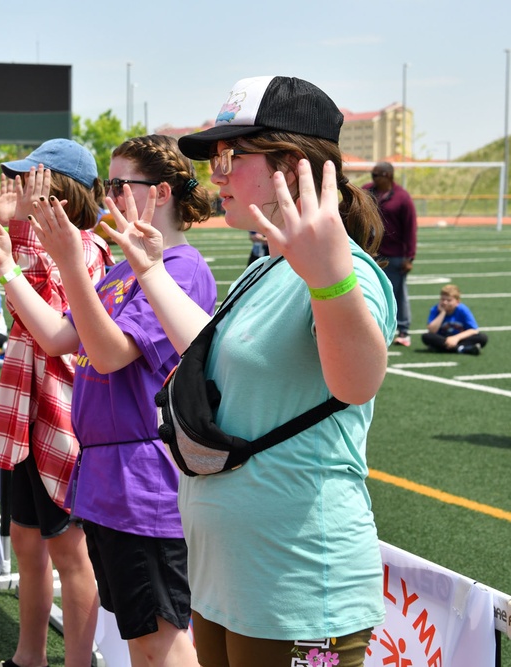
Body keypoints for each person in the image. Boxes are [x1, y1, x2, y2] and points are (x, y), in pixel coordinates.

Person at [103, 76, 396, 667]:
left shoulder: (348, 275)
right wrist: (150, 270)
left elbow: (357, 382)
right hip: (227, 578)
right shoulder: (267, 269)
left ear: (291, 165)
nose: (215, 175)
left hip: (295, 584)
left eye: (230, 156)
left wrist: (329, 278)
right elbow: (208, 350)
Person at [0, 133, 216, 667]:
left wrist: (70, 264)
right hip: (107, 475)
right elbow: (59, 337)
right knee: (141, 640)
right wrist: (5, 265)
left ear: (163, 192)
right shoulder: (125, 268)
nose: (109, 196)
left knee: (164, 643)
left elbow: (107, 355)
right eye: (108, 184)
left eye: (119, 185)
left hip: (144, 480)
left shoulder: (180, 268)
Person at [0, 139, 112, 667]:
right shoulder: (41, 242)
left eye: (33, 179)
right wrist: (15, 232)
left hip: (59, 415)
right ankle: (28, 657)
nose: (22, 188)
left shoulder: (84, 248)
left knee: (69, 553)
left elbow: (52, 325)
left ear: (59, 188)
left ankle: (79, 663)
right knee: (26, 544)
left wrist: (18, 236)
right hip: (25, 413)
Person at [364, 160, 417, 347]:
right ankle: (375, 327)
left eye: (376, 175)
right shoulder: (367, 192)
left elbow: (410, 228)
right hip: (370, 252)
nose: (373, 178)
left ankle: (403, 329)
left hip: (394, 255)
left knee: (397, 292)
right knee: (369, 290)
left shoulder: (402, 198)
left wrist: (410, 257)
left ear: (387, 176)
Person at [422, 283, 488, 355]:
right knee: (426, 336)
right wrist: (442, 313)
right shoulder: (435, 309)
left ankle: (443, 348)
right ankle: (462, 349)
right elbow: (431, 331)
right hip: (443, 339)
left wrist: (456, 338)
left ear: (457, 302)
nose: (444, 302)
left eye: (449, 300)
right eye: (442, 299)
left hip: (459, 339)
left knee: (482, 337)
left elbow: (474, 330)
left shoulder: (463, 310)